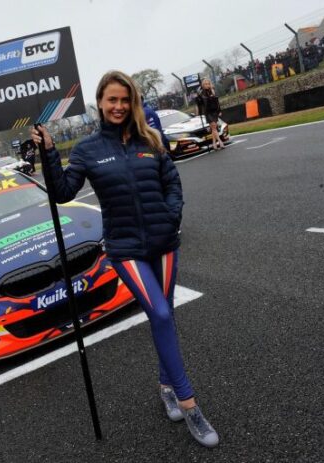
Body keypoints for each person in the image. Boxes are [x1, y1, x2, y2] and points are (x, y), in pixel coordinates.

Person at [30, 70, 219, 448]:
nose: (118, 106)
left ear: (132, 102)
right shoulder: (86, 149)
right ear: (100, 103)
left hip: (164, 242)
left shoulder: (151, 139)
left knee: (165, 316)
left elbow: (172, 183)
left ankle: (166, 388)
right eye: (111, 100)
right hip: (125, 249)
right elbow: (63, 192)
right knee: (161, 315)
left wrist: (171, 214)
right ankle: (190, 404)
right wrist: (49, 152)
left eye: (124, 100)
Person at [195, 78, 224, 150]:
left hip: (214, 111)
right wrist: (198, 112)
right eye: (205, 84)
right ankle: (220, 142)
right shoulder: (201, 93)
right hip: (208, 112)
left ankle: (214, 144)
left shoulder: (212, 91)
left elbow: (217, 102)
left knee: (214, 128)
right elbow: (199, 104)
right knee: (214, 127)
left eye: (208, 84)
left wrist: (219, 110)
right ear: (203, 85)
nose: (207, 85)